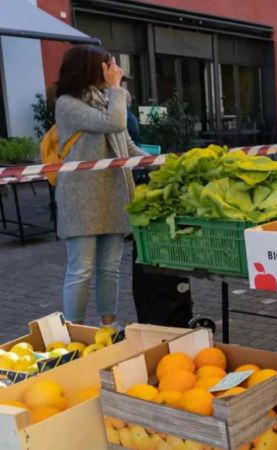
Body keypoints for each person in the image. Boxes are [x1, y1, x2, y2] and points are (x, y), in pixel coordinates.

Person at [55, 45, 147, 325]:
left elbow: (125, 143)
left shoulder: (105, 98)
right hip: (82, 201)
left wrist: (159, 161)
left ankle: (109, 325)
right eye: (108, 66)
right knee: (81, 269)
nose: (115, 70)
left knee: (110, 269)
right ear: (92, 69)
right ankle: (74, 331)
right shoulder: (68, 104)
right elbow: (115, 123)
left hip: (114, 196)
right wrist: (116, 88)